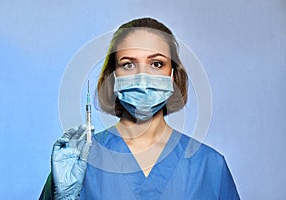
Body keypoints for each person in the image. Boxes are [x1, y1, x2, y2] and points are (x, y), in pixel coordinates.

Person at [39, 17, 240, 200]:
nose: (143, 79)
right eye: (128, 65)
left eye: (156, 64)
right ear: (113, 76)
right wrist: (61, 198)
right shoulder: (78, 162)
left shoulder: (210, 166)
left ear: (173, 75)